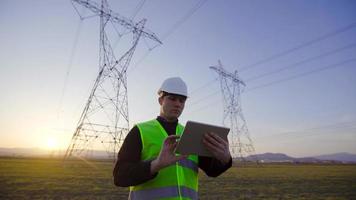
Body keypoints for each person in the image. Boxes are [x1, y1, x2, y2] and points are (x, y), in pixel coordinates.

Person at [113, 77, 232, 200]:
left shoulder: (191, 134)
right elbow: (119, 176)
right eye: (172, 98)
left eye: (182, 100)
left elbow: (212, 171)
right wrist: (156, 165)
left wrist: (225, 159)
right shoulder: (140, 131)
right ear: (161, 100)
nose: (178, 104)